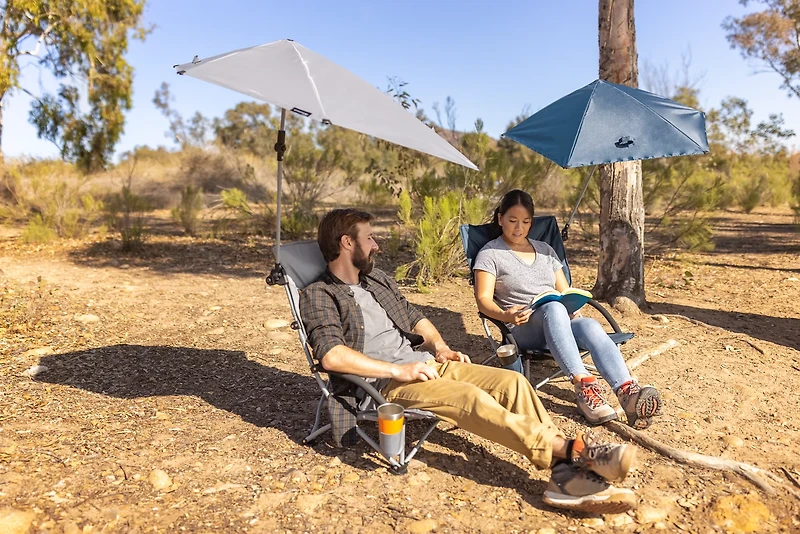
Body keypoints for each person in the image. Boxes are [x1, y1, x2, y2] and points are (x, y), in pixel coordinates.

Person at [300, 207, 641, 514]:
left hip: (425, 365)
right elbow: (331, 355)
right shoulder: (319, 294)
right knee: (469, 398)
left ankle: (564, 476)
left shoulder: (375, 279)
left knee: (514, 382)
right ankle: (577, 452)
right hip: (386, 384)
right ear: (347, 242)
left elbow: (414, 317)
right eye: (369, 238)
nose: (376, 245)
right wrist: (397, 369)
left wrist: (440, 347)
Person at [473, 190, 663, 429]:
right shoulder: (490, 254)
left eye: (526, 222)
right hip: (522, 327)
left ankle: (628, 394)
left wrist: (574, 306)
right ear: (500, 219)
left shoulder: (545, 250)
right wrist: (506, 315)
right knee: (553, 308)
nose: (519, 228)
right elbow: (483, 299)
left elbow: (564, 292)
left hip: (558, 320)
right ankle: (584, 389)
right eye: (512, 221)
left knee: (589, 325)